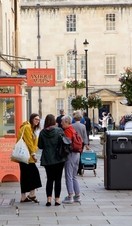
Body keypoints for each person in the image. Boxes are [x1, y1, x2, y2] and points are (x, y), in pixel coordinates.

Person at [38, 114, 66, 206]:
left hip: (47, 159)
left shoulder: (42, 132)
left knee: (49, 179)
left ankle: (49, 199)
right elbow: (64, 142)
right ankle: (57, 200)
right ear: (54, 121)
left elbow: (40, 146)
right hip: (58, 158)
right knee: (58, 179)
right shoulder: (59, 131)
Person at [17, 113, 42, 203]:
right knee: (34, 175)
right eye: (35, 119)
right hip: (27, 156)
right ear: (31, 119)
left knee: (25, 176)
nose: (37, 121)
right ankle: (31, 195)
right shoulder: (27, 127)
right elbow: (29, 142)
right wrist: (33, 154)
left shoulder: (31, 128)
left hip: (26, 157)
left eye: (38, 120)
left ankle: (25, 196)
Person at [61, 115, 81, 204]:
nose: (61, 123)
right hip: (77, 154)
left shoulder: (68, 130)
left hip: (71, 155)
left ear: (66, 122)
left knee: (68, 176)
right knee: (74, 176)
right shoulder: (73, 129)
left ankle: (70, 196)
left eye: (62, 122)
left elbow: (67, 145)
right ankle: (77, 196)